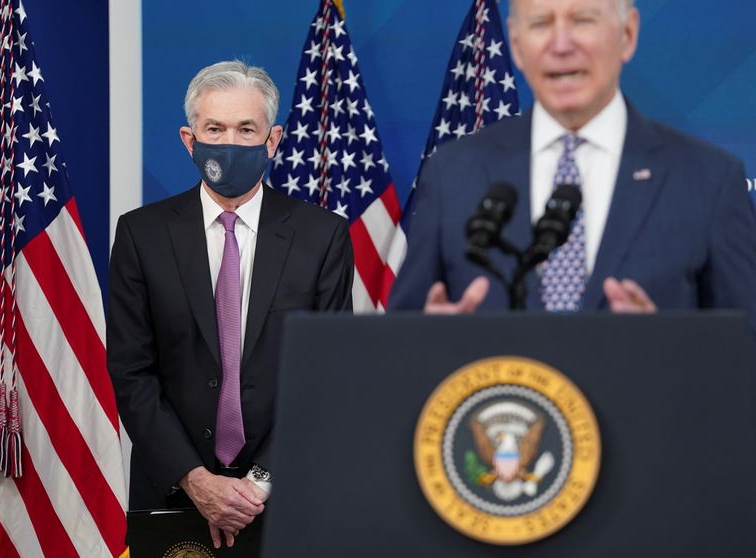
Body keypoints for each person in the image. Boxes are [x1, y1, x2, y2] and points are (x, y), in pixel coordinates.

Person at [389, 0, 756, 333]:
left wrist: (666, 348)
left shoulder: (709, 180)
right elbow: (398, 349)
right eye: (541, 24)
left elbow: (746, 355)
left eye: (582, 21)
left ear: (627, 34)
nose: (561, 44)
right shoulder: (453, 173)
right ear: (516, 46)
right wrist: (432, 345)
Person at [107, 60, 354, 553]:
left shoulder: (323, 236)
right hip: (174, 492)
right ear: (188, 137)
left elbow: (328, 376)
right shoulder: (141, 234)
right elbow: (132, 370)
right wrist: (197, 480)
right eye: (214, 128)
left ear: (273, 139)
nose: (230, 142)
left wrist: (257, 485)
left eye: (246, 129)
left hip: (285, 496)